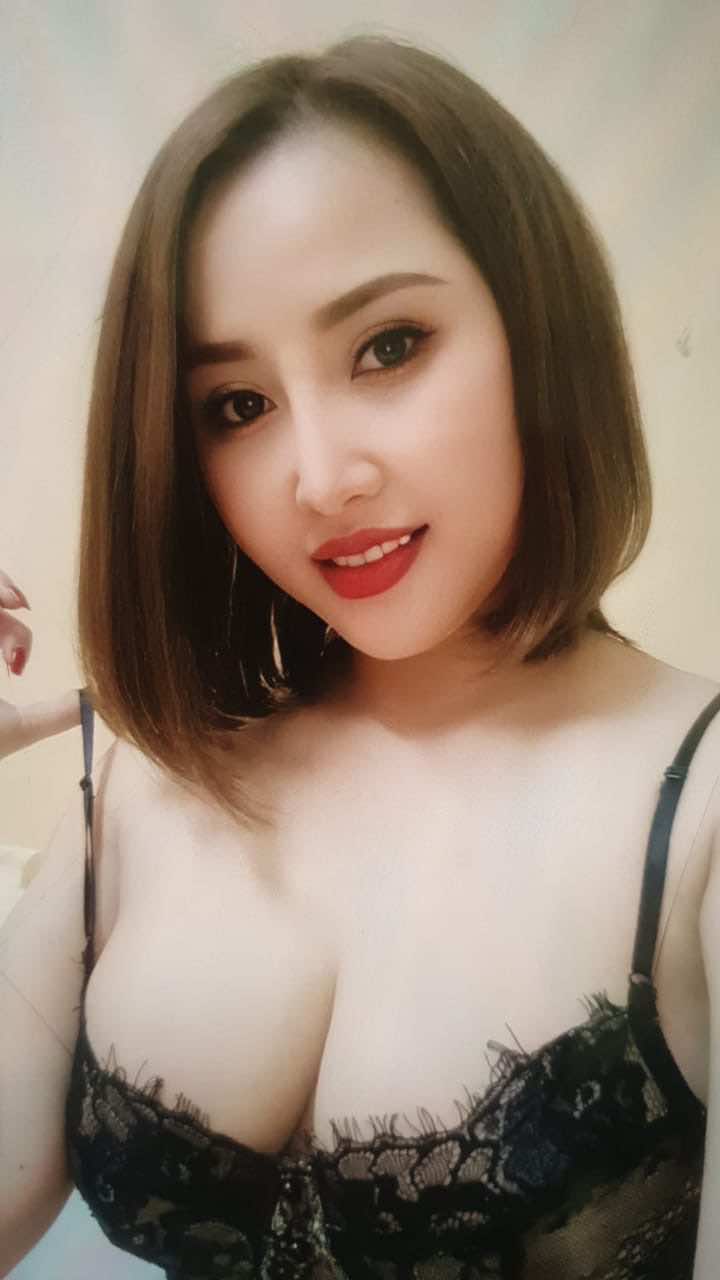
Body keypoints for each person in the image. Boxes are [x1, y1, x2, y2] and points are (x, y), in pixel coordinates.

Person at [1, 31, 719, 1280]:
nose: (323, 477)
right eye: (238, 405)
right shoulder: (137, 776)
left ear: (535, 328)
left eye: (388, 345)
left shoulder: (699, 812)